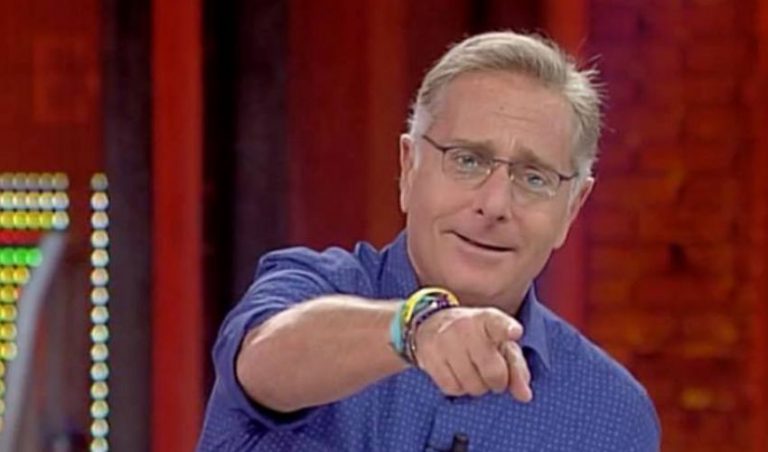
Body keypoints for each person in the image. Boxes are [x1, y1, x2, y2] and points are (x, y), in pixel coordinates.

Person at [197, 30, 661, 451]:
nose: (495, 204)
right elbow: (262, 361)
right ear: (408, 167)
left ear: (573, 208)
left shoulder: (613, 417)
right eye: (467, 160)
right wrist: (417, 327)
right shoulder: (305, 291)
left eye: (534, 178)